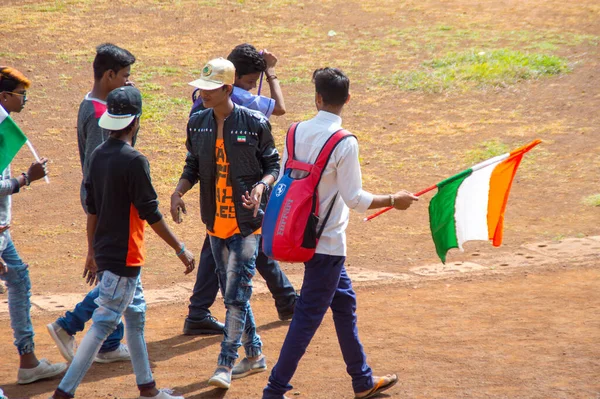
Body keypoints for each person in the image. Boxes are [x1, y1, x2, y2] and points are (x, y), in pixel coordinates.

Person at [260, 68, 418, 399]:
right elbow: (355, 199)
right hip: (327, 244)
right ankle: (274, 391)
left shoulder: (294, 132)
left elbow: (289, 178)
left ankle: (362, 380)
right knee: (306, 318)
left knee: (344, 303)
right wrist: (394, 200)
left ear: (317, 97)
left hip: (296, 232)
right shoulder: (344, 142)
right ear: (347, 99)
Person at [51, 86, 195, 399]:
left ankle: (148, 389)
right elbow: (151, 213)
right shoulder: (134, 161)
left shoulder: (97, 156)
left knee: (135, 316)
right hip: (125, 257)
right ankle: (64, 393)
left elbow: (92, 209)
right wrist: (180, 248)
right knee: (103, 323)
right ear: (136, 121)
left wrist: (92, 251)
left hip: (106, 251)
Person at [171, 58, 279, 389]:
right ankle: (256, 355)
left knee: (234, 296)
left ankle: (226, 364)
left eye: (209, 89)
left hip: (247, 224)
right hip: (214, 222)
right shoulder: (198, 122)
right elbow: (193, 163)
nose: (201, 94)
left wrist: (262, 186)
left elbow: (273, 164)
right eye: (201, 88)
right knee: (235, 295)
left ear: (227, 89)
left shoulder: (255, 122)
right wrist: (178, 190)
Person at [181, 44, 294, 336]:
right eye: (247, 81)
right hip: (229, 191)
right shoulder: (233, 103)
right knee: (246, 242)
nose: (248, 88)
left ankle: (201, 312)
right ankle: (281, 305)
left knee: (239, 242)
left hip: (228, 192)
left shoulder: (206, 104)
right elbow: (280, 109)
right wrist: (270, 72)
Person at [47, 43, 135, 364]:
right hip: (106, 204)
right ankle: (68, 325)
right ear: (109, 75)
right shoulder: (101, 116)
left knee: (117, 275)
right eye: (125, 76)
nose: (128, 81)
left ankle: (110, 341)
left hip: (100, 200)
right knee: (122, 277)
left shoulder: (91, 104)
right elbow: (109, 165)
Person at [0, 66, 67, 384]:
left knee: (19, 279)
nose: (25, 100)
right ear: (4, 96)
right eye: (20, 94)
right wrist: (26, 178)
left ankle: (28, 360)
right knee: (18, 281)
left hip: (3, 230)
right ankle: (27, 360)